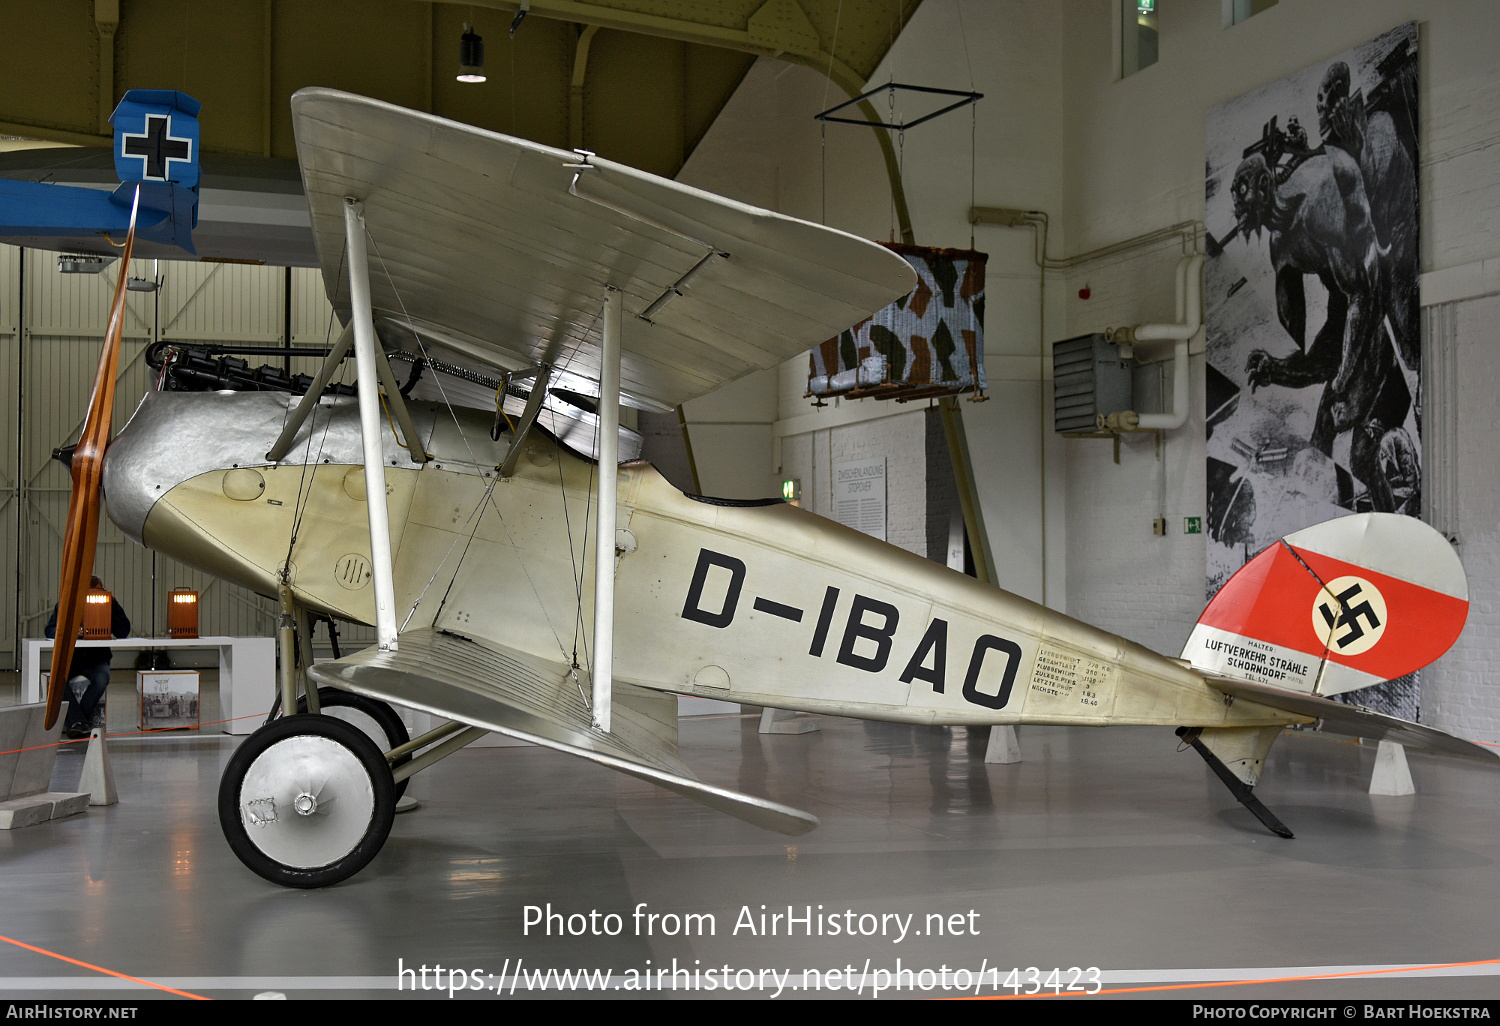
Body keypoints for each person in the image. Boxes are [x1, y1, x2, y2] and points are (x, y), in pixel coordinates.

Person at [45, 576, 131, 739]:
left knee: (101, 679)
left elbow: (123, 631)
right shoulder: (66, 604)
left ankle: (77, 722)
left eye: (98, 593)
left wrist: (113, 606)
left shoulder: (109, 604)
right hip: (72, 658)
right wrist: (70, 632)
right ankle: (79, 721)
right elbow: (49, 630)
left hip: (97, 658)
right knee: (58, 681)